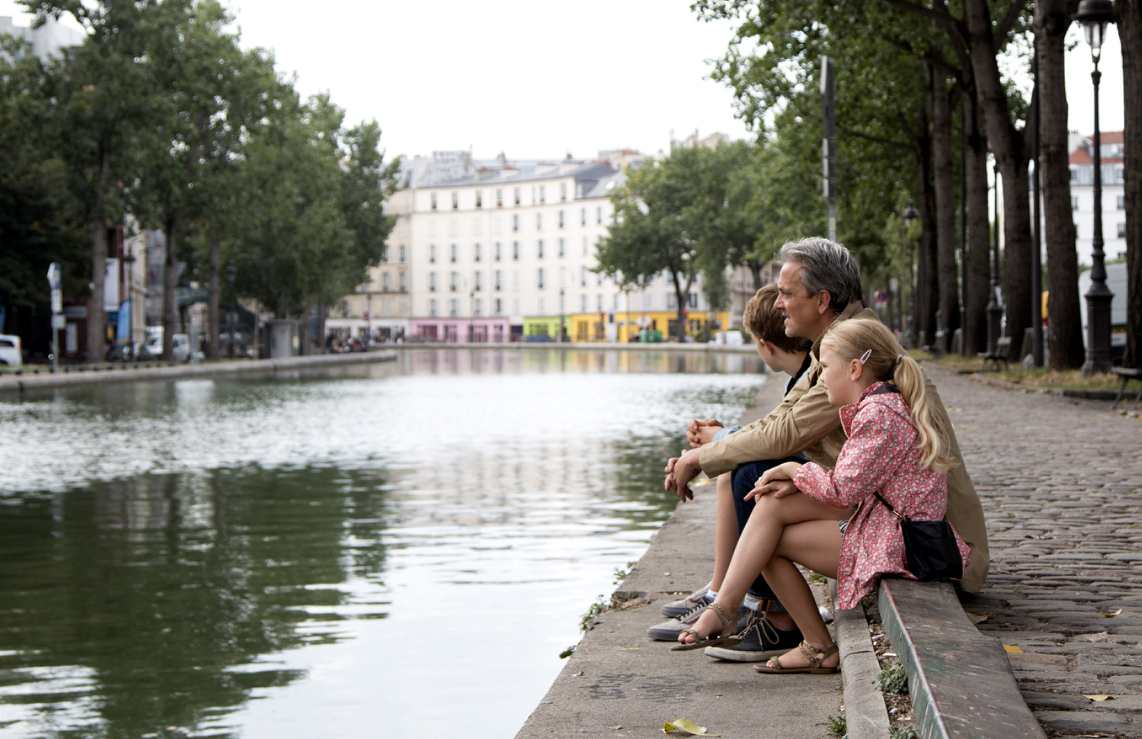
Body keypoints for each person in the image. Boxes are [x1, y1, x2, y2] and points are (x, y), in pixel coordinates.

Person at [664, 237, 989, 655]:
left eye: (785, 293)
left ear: (821, 300)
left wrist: (704, 457)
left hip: (929, 537)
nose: (778, 303)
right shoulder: (840, 345)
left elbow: (786, 433)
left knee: (754, 476)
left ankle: (771, 616)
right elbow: (782, 419)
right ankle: (739, 602)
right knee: (762, 486)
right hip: (887, 507)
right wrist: (710, 452)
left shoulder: (853, 358)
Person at [646, 285, 812, 660]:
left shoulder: (818, 370)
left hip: (843, 493)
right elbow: (778, 428)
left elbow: (784, 435)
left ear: (764, 345)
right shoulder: (810, 371)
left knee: (750, 475)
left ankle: (764, 610)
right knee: (741, 468)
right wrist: (714, 445)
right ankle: (726, 595)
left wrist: (709, 448)